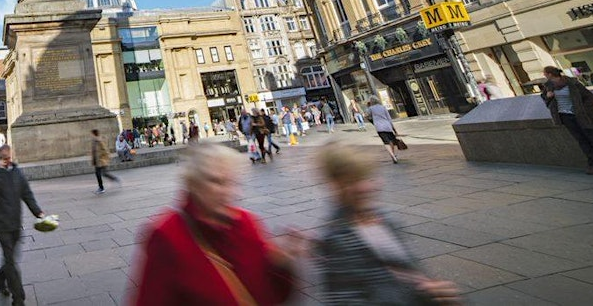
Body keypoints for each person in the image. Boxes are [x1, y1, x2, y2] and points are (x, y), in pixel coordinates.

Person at [130, 143, 297, 305]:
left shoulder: (247, 222)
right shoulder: (167, 235)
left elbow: (273, 294)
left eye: (232, 182)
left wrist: (281, 264)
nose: (228, 192)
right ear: (193, 184)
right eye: (216, 182)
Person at [317, 144, 460, 304]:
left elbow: (410, 270)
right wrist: (420, 292)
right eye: (352, 181)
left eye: (368, 178)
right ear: (337, 187)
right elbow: (345, 300)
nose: (364, 187)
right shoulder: (337, 239)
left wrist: (433, 292)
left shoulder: (384, 219)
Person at [0, 145, 45, 306]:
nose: (8, 160)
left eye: (9, 157)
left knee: (10, 259)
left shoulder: (17, 172)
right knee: (11, 261)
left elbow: (27, 194)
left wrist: (38, 212)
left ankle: (1, 277)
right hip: (1, 224)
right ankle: (18, 298)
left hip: (16, 223)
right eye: (5, 158)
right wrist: (1, 172)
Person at [541, 66, 593, 175]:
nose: (544, 75)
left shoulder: (572, 83)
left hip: (582, 116)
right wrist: (548, 97)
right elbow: (547, 101)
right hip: (566, 117)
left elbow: (590, 98)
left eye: (545, 73)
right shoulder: (548, 87)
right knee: (582, 141)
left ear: (550, 74)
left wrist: (582, 110)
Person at [365, 96, 401, 164]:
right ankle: (393, 154)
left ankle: (392, 156)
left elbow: (366, 115)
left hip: (379, 127)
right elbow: (389, 118)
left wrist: (372, 120)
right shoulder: (383, 107)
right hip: (388, 126)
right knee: (391, 141)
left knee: (386, 142)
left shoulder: (371, 108)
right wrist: (394, 129)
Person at [90, 128, 120, 194]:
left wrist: (102, 158)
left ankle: (102, 188)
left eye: (91, 134)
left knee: (100, 174)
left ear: (94, 134)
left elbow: (105, 151)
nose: (91, 136)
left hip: (101, 161)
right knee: (102, 173)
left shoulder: (99, 141)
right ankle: (114, 179)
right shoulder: (94, 142)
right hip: (97, 161)